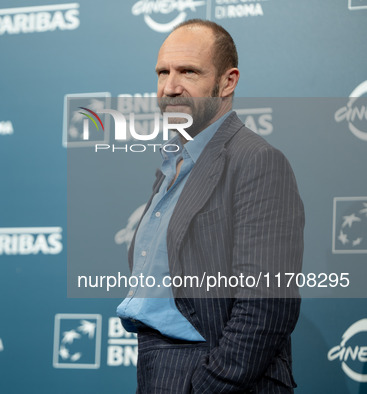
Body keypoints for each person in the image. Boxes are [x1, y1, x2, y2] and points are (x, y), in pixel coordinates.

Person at [116, 19, 304, 393]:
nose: (170, 87)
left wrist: (207, 384)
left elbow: (267, 303)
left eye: (188, 71)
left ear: (228, 81)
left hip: (214, 373)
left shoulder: (256, 160)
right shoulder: (173, 164)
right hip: (156, 365)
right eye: (162, 72)